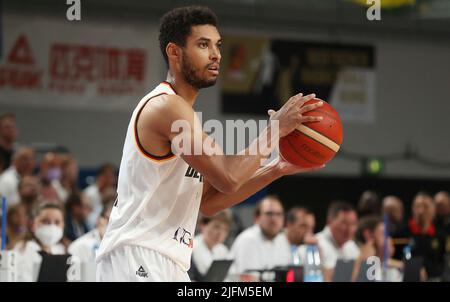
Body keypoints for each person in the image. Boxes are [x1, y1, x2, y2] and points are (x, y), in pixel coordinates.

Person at [96, 6, 324, 282]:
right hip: (136, 255)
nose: (216, 54)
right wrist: (274, 130)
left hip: (167, 260)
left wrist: (276, 168)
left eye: (217, 45)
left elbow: (210, 202)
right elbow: (228, 177)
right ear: (174, 52)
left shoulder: (188, 119)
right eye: (203, 45)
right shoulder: (166, 107)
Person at [228, 196, 291, 280]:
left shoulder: (282, 240)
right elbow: (249, 281)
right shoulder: (248, 239)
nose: (274, 219)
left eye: (278, 214)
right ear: (257, 218)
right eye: (269, 214)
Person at [13, 203, 66, 282]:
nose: (52, 226)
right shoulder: (23, 249)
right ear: (33, 224)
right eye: (45, 221)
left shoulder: (61, 250)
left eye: (57, 222)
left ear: (63, 225)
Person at [402, 192, 446, 280]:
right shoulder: (402, 233)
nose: (421, 211)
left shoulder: (441, 235)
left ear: (434, 210)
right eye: (417, 207)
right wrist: (415, 269)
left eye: (425, 207)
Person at [316, 201, 359, 282]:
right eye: (344, 223)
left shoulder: (351, 245)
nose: (349, 229)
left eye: (353, 224)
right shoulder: (317, 244)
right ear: (329, 221)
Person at [352, 215, 403, 282]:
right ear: (368, 235)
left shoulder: (389, 268)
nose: (389, 240)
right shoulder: (352, 255)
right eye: (384, 234)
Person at [189, 210, 232, 281]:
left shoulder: (223, 250)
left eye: (225, 229)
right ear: (203, 225)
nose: (220, 233)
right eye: (216, 227)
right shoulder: (192, 247)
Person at [84, 163, 117, 229]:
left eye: (113, 177)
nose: (113, 180)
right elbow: (86, 216)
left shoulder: (113, 192)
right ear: (101, 177)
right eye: (109, 177)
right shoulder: (89, 193)